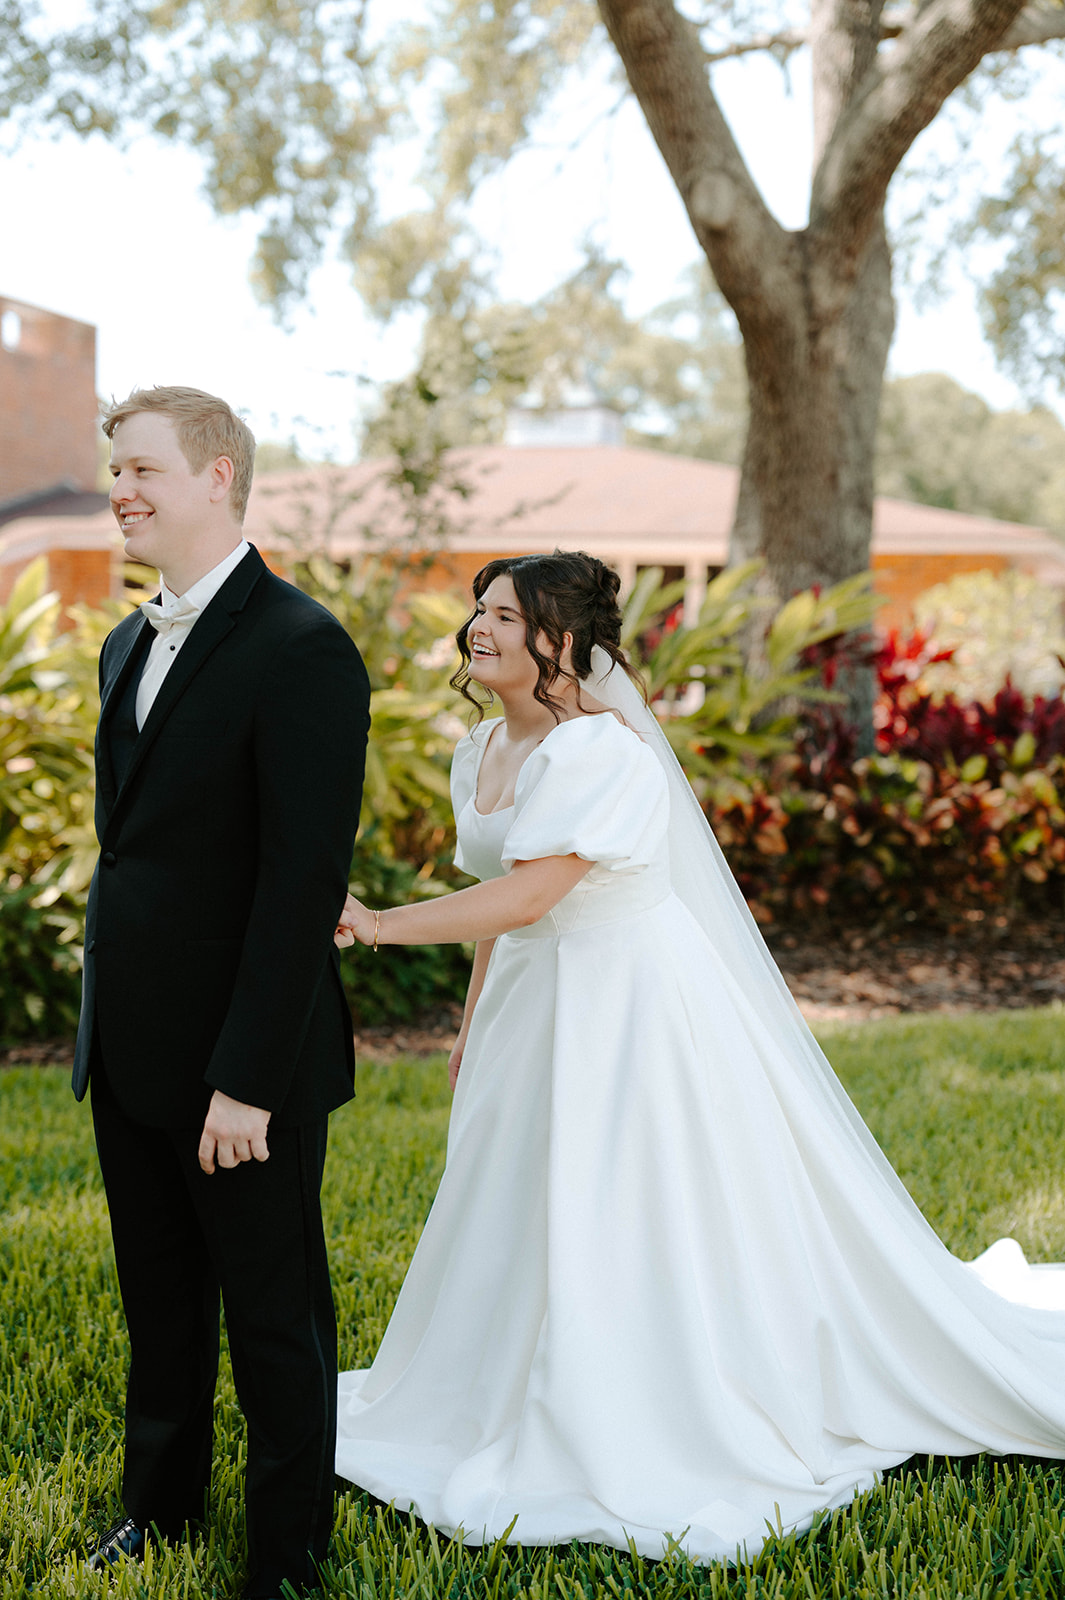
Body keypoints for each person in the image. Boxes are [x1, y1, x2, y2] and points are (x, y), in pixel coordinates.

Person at [332, 549, 1065, 1565]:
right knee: (524, 1190)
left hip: (626, 1000)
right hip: (531, 1002)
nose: (479, 629)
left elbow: (534, 892)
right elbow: (502, 910)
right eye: (480, 611)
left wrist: (376, 923)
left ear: (561, 640)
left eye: (504, 614)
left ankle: (639, 1394)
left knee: (627, 1192)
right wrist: (472, 1021)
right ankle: (497, 1379)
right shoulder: (482, 745)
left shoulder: (600, 752)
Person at [72, 386, 371, 1599]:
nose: (121, 492)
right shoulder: (125, 643)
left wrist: (245, 1080)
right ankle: (158, 1507)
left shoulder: (303, 646)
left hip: (246, 1066)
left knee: (273, 1315)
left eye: (142, 469)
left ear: (217, 477)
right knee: (159, 1301)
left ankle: (285, 1558)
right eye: (115, 473)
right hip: (130, 1045)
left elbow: (302, 883)